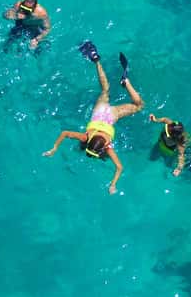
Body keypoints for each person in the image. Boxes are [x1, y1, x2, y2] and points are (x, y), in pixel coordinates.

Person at [43, 42, 144, 194]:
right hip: (99, 113)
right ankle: (97, 60)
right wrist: (55, 147)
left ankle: (121, 78)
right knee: (106, 89)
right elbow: (64, 133)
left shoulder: (107, 147)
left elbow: (119, 168)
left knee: (138, 106)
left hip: (110, 116)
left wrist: (113, 185)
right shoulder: (85, 137)